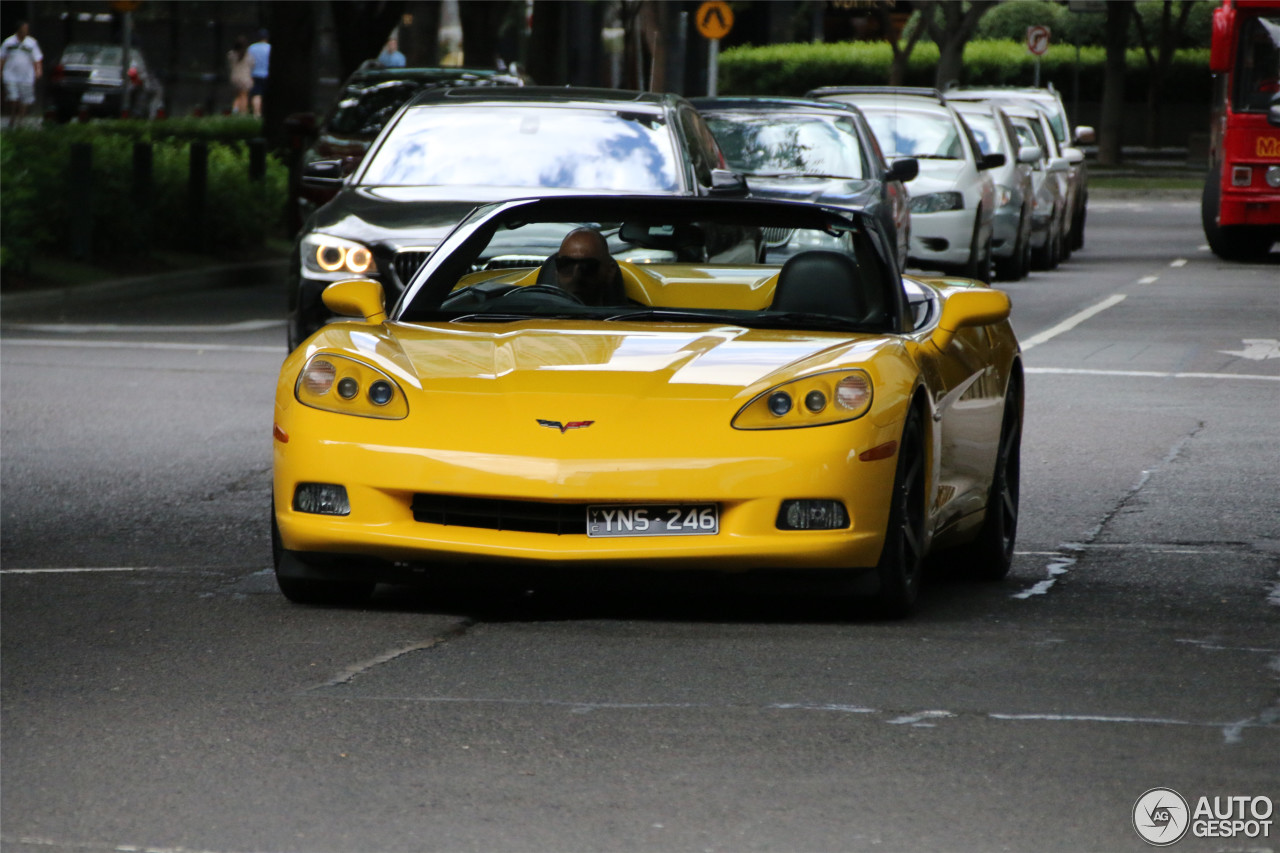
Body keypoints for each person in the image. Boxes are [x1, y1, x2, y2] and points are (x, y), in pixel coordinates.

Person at [550, 228, 621, 306]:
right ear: (556, 270)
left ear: (610, 271)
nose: (576, 276)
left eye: (588, 267)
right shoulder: (538, 314)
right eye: (566, 265)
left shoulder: (631, 317)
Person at [1, 21, 42, 129]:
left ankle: (21, 121)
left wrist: (38, 70)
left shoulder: (32, 43)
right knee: (13, 97)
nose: (25, 31)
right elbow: (2, 58)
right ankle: (12, 118)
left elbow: (37, 58)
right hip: (10, 74)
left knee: (25, 99)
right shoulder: (8, 42)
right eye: (23, 29)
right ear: (18, 30)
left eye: (26, 29)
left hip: (26, 76)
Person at [227, 35, 253, 115]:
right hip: (245, 78)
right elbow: (252, 64)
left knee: (237, 96)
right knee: (244, 96)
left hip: (234, 77)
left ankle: (234, 111)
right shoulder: (248, 55)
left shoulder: (230, 54)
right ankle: (243, 113)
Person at [247, 29, 270, 117]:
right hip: (267, 74)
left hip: (255, 74)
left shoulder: (252, 48)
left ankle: (256, 113)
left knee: (257, 94)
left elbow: (249, 61)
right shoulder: (270, 47)